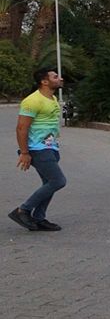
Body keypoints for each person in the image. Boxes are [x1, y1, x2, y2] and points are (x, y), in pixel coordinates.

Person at [8, 68, 67, 231]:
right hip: (37, 148)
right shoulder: (32, 101)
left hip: (51, 147)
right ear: (44, 81)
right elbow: (21, 128)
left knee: (49, 182)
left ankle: (39, 218)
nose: (60, 78)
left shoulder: (53, 98)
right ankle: (23, 210)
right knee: (58, 181)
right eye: (55, 77)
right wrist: (25, 153)